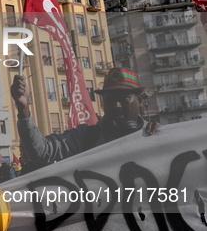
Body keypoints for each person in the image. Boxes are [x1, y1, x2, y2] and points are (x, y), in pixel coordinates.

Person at [10, 67, 160, 164]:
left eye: (123, 98)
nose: (116, 105)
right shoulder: (85, 137)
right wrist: (23, 109)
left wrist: (163, 135)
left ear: (140, 100)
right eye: (109, 99)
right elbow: (40, 152)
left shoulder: (157, 134)